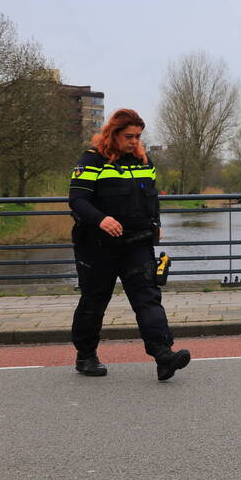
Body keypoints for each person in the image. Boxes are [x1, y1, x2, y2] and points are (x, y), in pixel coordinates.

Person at [68, 108, 191, 381]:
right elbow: (77, 200)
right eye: (128, 136)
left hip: (137, 245)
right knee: (94, 300)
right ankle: (86, 356)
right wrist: (101, 220)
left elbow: (152, 199)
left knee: (148, 298)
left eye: (138, 136)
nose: (134, 141)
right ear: (113, 134)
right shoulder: (92, 160)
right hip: (97, 245)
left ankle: (163, 356)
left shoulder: (144, 162)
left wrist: (155, 226)